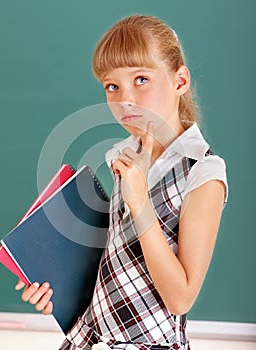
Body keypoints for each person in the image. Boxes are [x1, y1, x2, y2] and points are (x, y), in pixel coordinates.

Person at [15, 14, 228, 349]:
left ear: (180, 81)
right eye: (112, 86)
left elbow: (181, 298)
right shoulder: (123, 156)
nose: (125, 98)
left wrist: (140, 200)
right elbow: (116, 263)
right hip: (90, 337)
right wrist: (57, 288)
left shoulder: (203, 171)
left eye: (141, 79)